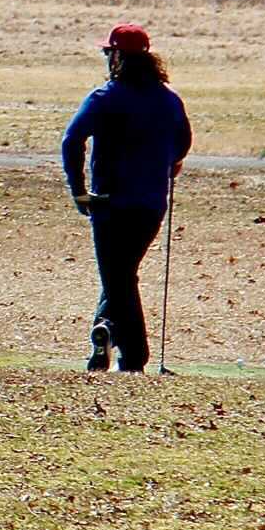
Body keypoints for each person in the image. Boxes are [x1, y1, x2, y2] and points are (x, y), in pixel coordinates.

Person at [60, 23, 191, 373]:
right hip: (150, 207)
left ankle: (134, 357)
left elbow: (71, 141)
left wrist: (78, 190)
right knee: (122, 275)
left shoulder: (105, 97)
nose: (107, 59)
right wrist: (167, 164)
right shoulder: (170, 99)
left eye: (109, 53)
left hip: (108, 205)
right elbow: (182, 144)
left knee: (119, 280)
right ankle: (105, 331)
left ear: (117, 57)